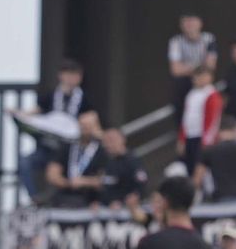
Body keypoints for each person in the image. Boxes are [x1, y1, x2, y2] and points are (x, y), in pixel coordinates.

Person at [15, 58, 93, 200]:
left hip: (71, 149)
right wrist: (18, 114)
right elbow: (34, 112)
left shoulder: (85, 99)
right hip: (48, 147)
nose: (71, 79)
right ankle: (35, 198)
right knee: (25, 162)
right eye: (68, 74)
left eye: (75, 75)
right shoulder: (50, 96)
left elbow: (90, 120)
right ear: (61, 76)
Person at [44, 111, 107, 208]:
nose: (84, 129)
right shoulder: (67, 146)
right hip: (65, 197)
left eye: (88, 126)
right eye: (82, 125)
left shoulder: (103, 149)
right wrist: (69, 183)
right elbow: (52, 174)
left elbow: (106, 179)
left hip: (93, 201)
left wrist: (85, 182)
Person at [179, 65, 223, 178]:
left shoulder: (212, 95)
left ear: (210, 77)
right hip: (190, 136)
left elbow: (212, 120)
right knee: (190, 168)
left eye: (203, 76)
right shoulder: (191, 94)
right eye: (197, 77)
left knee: (203, 170)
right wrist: (182, 139)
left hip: (203, 138)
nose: (200, 79)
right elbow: (186, 119)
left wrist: (206, 141)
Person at [167, 13, 217, 113]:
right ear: (181, 25)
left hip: (204, 87)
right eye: (186, 21)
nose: (189, 24)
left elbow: (210, 66)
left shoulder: (209, 38)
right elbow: (175, 70)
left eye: (192, 21)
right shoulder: (175, 41)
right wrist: (199, 68)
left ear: (200, 23)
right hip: (184, 87)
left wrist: (186, 68)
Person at [99, 128, 149, 214]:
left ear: (123, 139)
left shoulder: (132, 161)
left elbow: (141, 184)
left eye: (112, 140)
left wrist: (128, 200)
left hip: (127, 211)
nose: (108, 144)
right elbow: (106, 185)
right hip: (109, 210)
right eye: (105, 141)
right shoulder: (107, 162)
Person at [198, 116, 236, 201]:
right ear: (235, 129)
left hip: (220, 199)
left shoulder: (209, 151)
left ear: (218, 131)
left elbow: (197, 179)